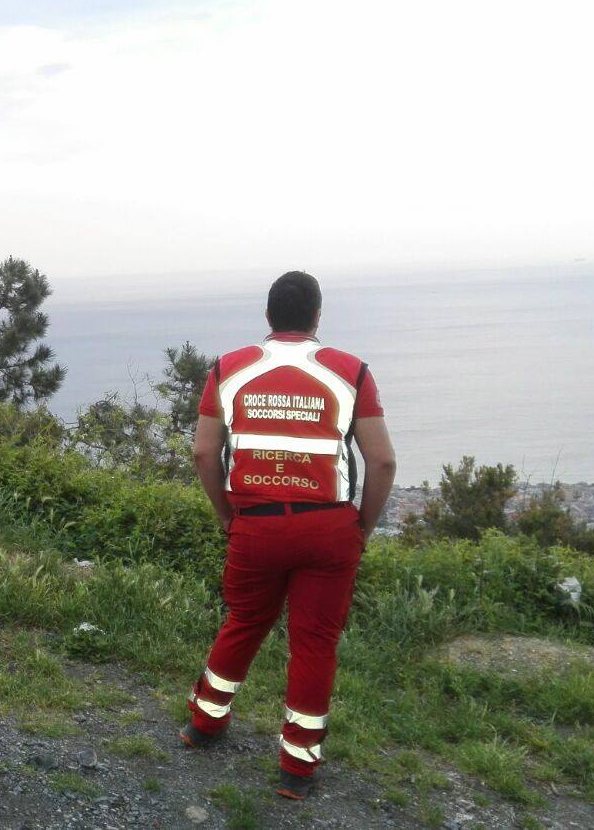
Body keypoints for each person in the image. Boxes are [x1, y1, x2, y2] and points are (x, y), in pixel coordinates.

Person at [179, 270, 397, 800]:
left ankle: (204, 723)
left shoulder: (228, 369)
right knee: (314, 642)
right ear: (317, 316)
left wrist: (227, 515)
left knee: (245, 621)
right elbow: (384, 462)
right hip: (329, 530)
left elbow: (204, 452)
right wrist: (361, 527)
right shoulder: (351, 371)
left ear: (269, 317)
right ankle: (296, 768)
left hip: (255, 524)